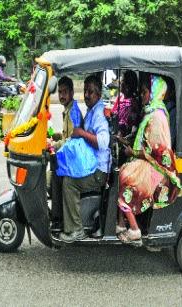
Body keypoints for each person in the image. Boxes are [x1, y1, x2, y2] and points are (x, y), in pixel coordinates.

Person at [116, 74, 181, 243]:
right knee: (120, 172)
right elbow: (143, 139)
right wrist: (127, 143)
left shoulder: (157, 116)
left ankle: (135, 228)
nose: (142, 96)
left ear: (154, 93)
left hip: (155, 167)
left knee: (124, 179)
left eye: (145, 92)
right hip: (144, 161)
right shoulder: (150, 111)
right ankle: (121, 223)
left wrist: (133, 153)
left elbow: (156, 150)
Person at [59, 75, 111, 243]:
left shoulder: (99, 115)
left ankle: (76, 230)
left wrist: (81, 133)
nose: (87, 95)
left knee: (69, 182)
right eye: (86, 91)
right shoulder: (91, 111)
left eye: (91, 92)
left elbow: (103, 142)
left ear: (98, 94)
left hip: (98, 171)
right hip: (89, 164)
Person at [47, 76, 81, 229]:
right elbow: (66, 136)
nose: (62, 95)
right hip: (69, 157)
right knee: (52, 175)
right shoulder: (67, 110)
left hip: (74, 160)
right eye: (60, 92)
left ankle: (58, 219)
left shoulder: (73, 112)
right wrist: (55, 136)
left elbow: (71, 141)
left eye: (65, 92)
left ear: (72, 92)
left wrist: (54, 145)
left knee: (52, 177)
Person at [112, 70, 141, 137]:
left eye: (122, 81)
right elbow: (113, 112)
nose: (120, 82)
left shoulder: (133, 104)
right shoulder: (120, 97)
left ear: (128, 86)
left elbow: (127, 125)